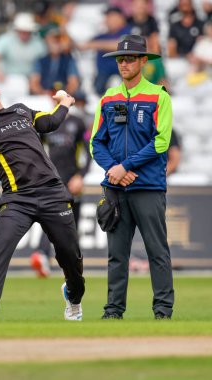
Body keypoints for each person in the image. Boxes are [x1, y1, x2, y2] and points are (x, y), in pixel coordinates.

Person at [0, 75, 85, 321]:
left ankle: (73, 296)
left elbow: (50, 123)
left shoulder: (21, 110)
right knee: (0, 247)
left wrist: (65, 103)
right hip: (17, 199)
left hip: (53, 193)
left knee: (70, 255)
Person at [90, 34, 174, 320]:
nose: (123, 64)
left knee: (157, 251)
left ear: (142, 61)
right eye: (120, 59)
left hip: (148, 187)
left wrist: (124, 167)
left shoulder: (159, 96)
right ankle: (113, 311)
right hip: (116, 187)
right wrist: (115, 169)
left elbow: (162, 142)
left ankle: (162, 310)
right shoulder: (108, 98)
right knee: (117, 255)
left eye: (129, 59)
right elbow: (95, 143)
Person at [30, 91, 92, 277]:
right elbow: (37, 151)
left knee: (72, 222)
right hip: (52, 180)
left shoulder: (78, 123)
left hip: (72, 179)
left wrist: (80, 176)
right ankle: (42, 255)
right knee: (50, 216)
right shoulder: (46, 123)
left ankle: (70, 262)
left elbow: (89, 153)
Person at [75, 6, 132, 96]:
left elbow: (122, 45)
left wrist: (97, 45)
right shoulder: (102, 36)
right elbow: (81, 46)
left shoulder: (128, 31)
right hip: (102, 77)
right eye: (107, 17)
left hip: (124, 73)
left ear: (120, 18)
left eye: (110, 16)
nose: (107, 20)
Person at [0, 12, 47, 83]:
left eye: (27, 31)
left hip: (31, 81)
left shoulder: (38, 43)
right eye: (22, 31)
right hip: (8, 80)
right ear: (17, 30)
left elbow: (45, 62)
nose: (24, 33)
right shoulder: (6, 40)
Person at [29, 26, 80, 95]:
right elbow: (34, 84)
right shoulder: (40, 60)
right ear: (46, 42)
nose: (56, 44)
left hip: (63, 97)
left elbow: (73, 83)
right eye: (53, 41)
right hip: (44, 97)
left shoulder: (69, 60)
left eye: (58, 41)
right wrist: (45, 94)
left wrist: (63, 96)